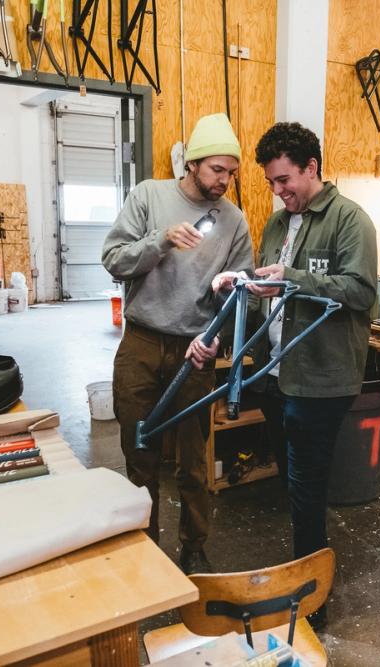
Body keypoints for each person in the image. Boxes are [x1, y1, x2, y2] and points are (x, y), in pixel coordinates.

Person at [218, 121, 377, 565]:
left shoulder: (349, 220)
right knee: (291, 478)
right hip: (275, 373)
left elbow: (361, 292)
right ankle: (305, 568)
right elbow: (267, 292)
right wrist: (239, 291)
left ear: (311, 167)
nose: (277, 191)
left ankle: (311, 590)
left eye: (284, 180)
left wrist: (292, 279)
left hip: (320, 378)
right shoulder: (275, 224)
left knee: (307, 484)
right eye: (271, 182)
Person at [102, 113, 253, 574]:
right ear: (191, 163)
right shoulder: (149, 196)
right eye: (216, 171)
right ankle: (145, 544)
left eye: (231, 172)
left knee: (193, 459)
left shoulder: (233, 221)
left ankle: (194, 546)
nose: (224, 181)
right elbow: (113, 259)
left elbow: (242, 292)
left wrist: (219, 335)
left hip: (196, 350)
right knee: (140, 452)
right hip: (142, 344)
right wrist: (160, 240)